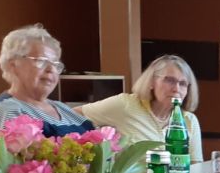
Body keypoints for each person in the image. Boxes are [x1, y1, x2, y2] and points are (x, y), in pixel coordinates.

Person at [76, 54, 204, 162]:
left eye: (183, 84)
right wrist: (92, 144)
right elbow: (73, 114)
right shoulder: (125, 105)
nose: (176, 89)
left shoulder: (189, 120)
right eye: (169, 80)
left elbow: (196, 167)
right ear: (152, 82)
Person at [0, 25, 92, 139]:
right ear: (13, 65)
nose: (51, 69)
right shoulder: (7, 110)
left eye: (55, 64)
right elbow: (11, 150)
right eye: (41, 61)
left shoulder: (62, 108)